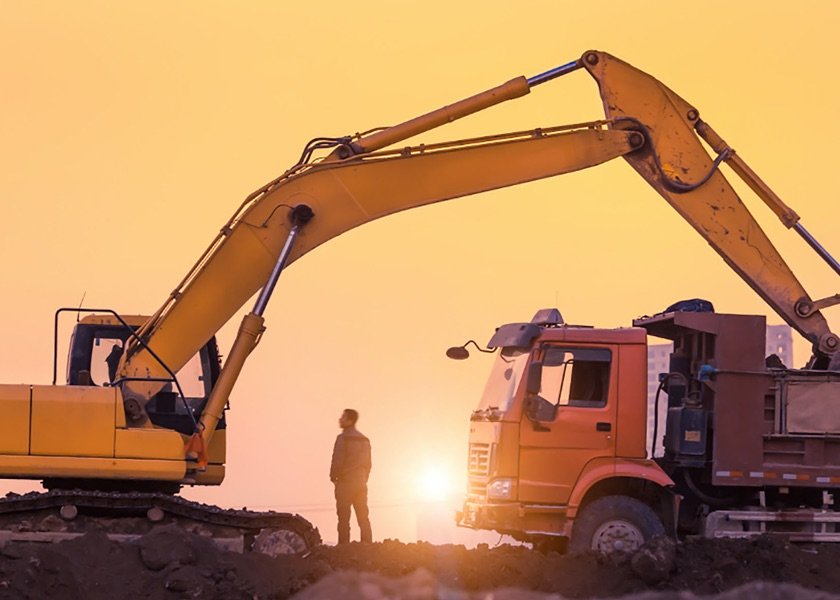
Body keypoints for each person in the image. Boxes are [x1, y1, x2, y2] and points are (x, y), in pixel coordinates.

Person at [330, 408, 372, 544]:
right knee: (363, 518)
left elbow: (338, 460)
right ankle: (368, 547)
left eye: (343, 417)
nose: (340, 419)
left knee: (343, 519)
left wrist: (334, 477)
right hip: (361, 483)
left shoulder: (343, 438)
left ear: (350, 420)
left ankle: (344, 549)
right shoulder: (365, 439)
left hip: (345, 483)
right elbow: (368, 464)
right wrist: (363, 479)